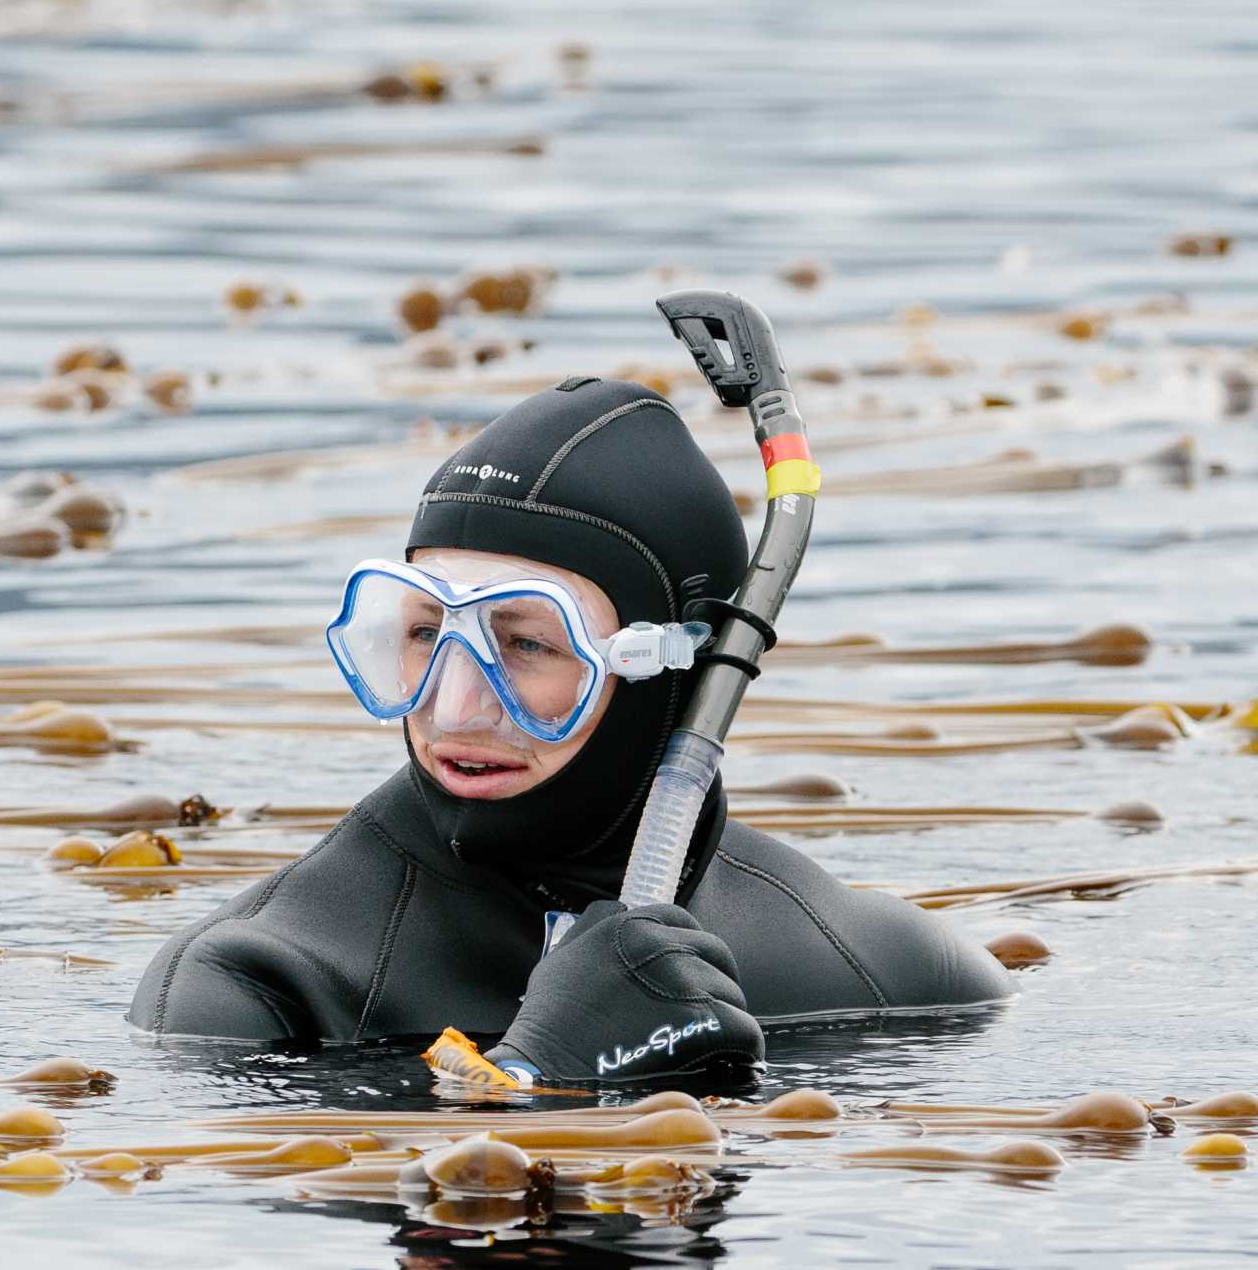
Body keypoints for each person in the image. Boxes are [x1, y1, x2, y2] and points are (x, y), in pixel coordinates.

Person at [129, 377, 1010, 1081]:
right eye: (428, 634)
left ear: (673, 669)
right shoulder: (252, 985)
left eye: (527, 644)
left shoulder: (887, 972)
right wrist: (540, 1081)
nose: (453, 707)